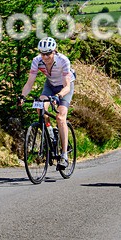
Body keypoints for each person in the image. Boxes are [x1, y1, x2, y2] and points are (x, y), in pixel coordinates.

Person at [18, 37, 75, 170]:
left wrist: (58, 96)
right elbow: (30, 82)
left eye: (48, 53)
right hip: (50, 85)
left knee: (61, 117)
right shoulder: (37, 61)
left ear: (54, 51)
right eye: (42, 53)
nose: (45, 57)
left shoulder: (63, 61)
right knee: (40, 108)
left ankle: (64, 156)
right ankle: (50, 133)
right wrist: (22, 96)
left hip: (64, 87)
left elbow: (67, 86)